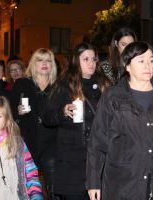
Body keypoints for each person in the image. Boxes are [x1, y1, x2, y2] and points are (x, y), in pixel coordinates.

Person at [86, 41, 153, 200]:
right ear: (127, 65)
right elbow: (97, 141)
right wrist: (93, 181)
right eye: (141, 61)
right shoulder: (113, 96)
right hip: (123, 183)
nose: (147, 65)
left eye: (150, 60)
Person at [43, 43, 110, 200]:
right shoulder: (64, 85)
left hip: (99, 156)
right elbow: (47, 118)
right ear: (75, 61)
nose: (91, 63)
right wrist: (63, 112)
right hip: (72, 159)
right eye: (85, 59)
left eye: (93, 59)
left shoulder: (104, 84)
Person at [9, 48, 58, 199]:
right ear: (33, 63)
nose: (44, 64)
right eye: (40, 60)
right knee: (28, 184)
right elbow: (10, 111)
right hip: (29, 141)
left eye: (48, 60)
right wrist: (18, 111)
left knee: (54, 185)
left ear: (52, 64)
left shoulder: (58, 86)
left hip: (52, 141)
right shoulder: (22, 84)